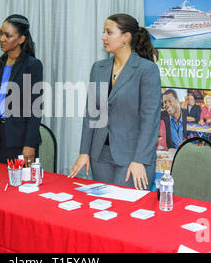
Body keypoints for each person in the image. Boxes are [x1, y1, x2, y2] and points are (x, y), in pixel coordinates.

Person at [68, 13, 161, 191]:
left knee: (125, 214)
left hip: (132, 157)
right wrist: (84, 152)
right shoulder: (98, 68)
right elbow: (92, 114)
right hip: (100, 155)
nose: (103, 37)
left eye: (109, 33)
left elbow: (150, 120)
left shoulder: (146, 70)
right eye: (104, 32)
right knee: (101, 211)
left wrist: (139, 159)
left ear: (126, 37)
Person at [0, 14, 43, 167]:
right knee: (0, 185)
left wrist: (30, 144)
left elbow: (36, 108)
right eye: (1, 33)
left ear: (21, 39)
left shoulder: (32, 65)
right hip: (1, 137)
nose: (2, 38)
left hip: (22, 140)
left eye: (8, 36)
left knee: (21, 187)